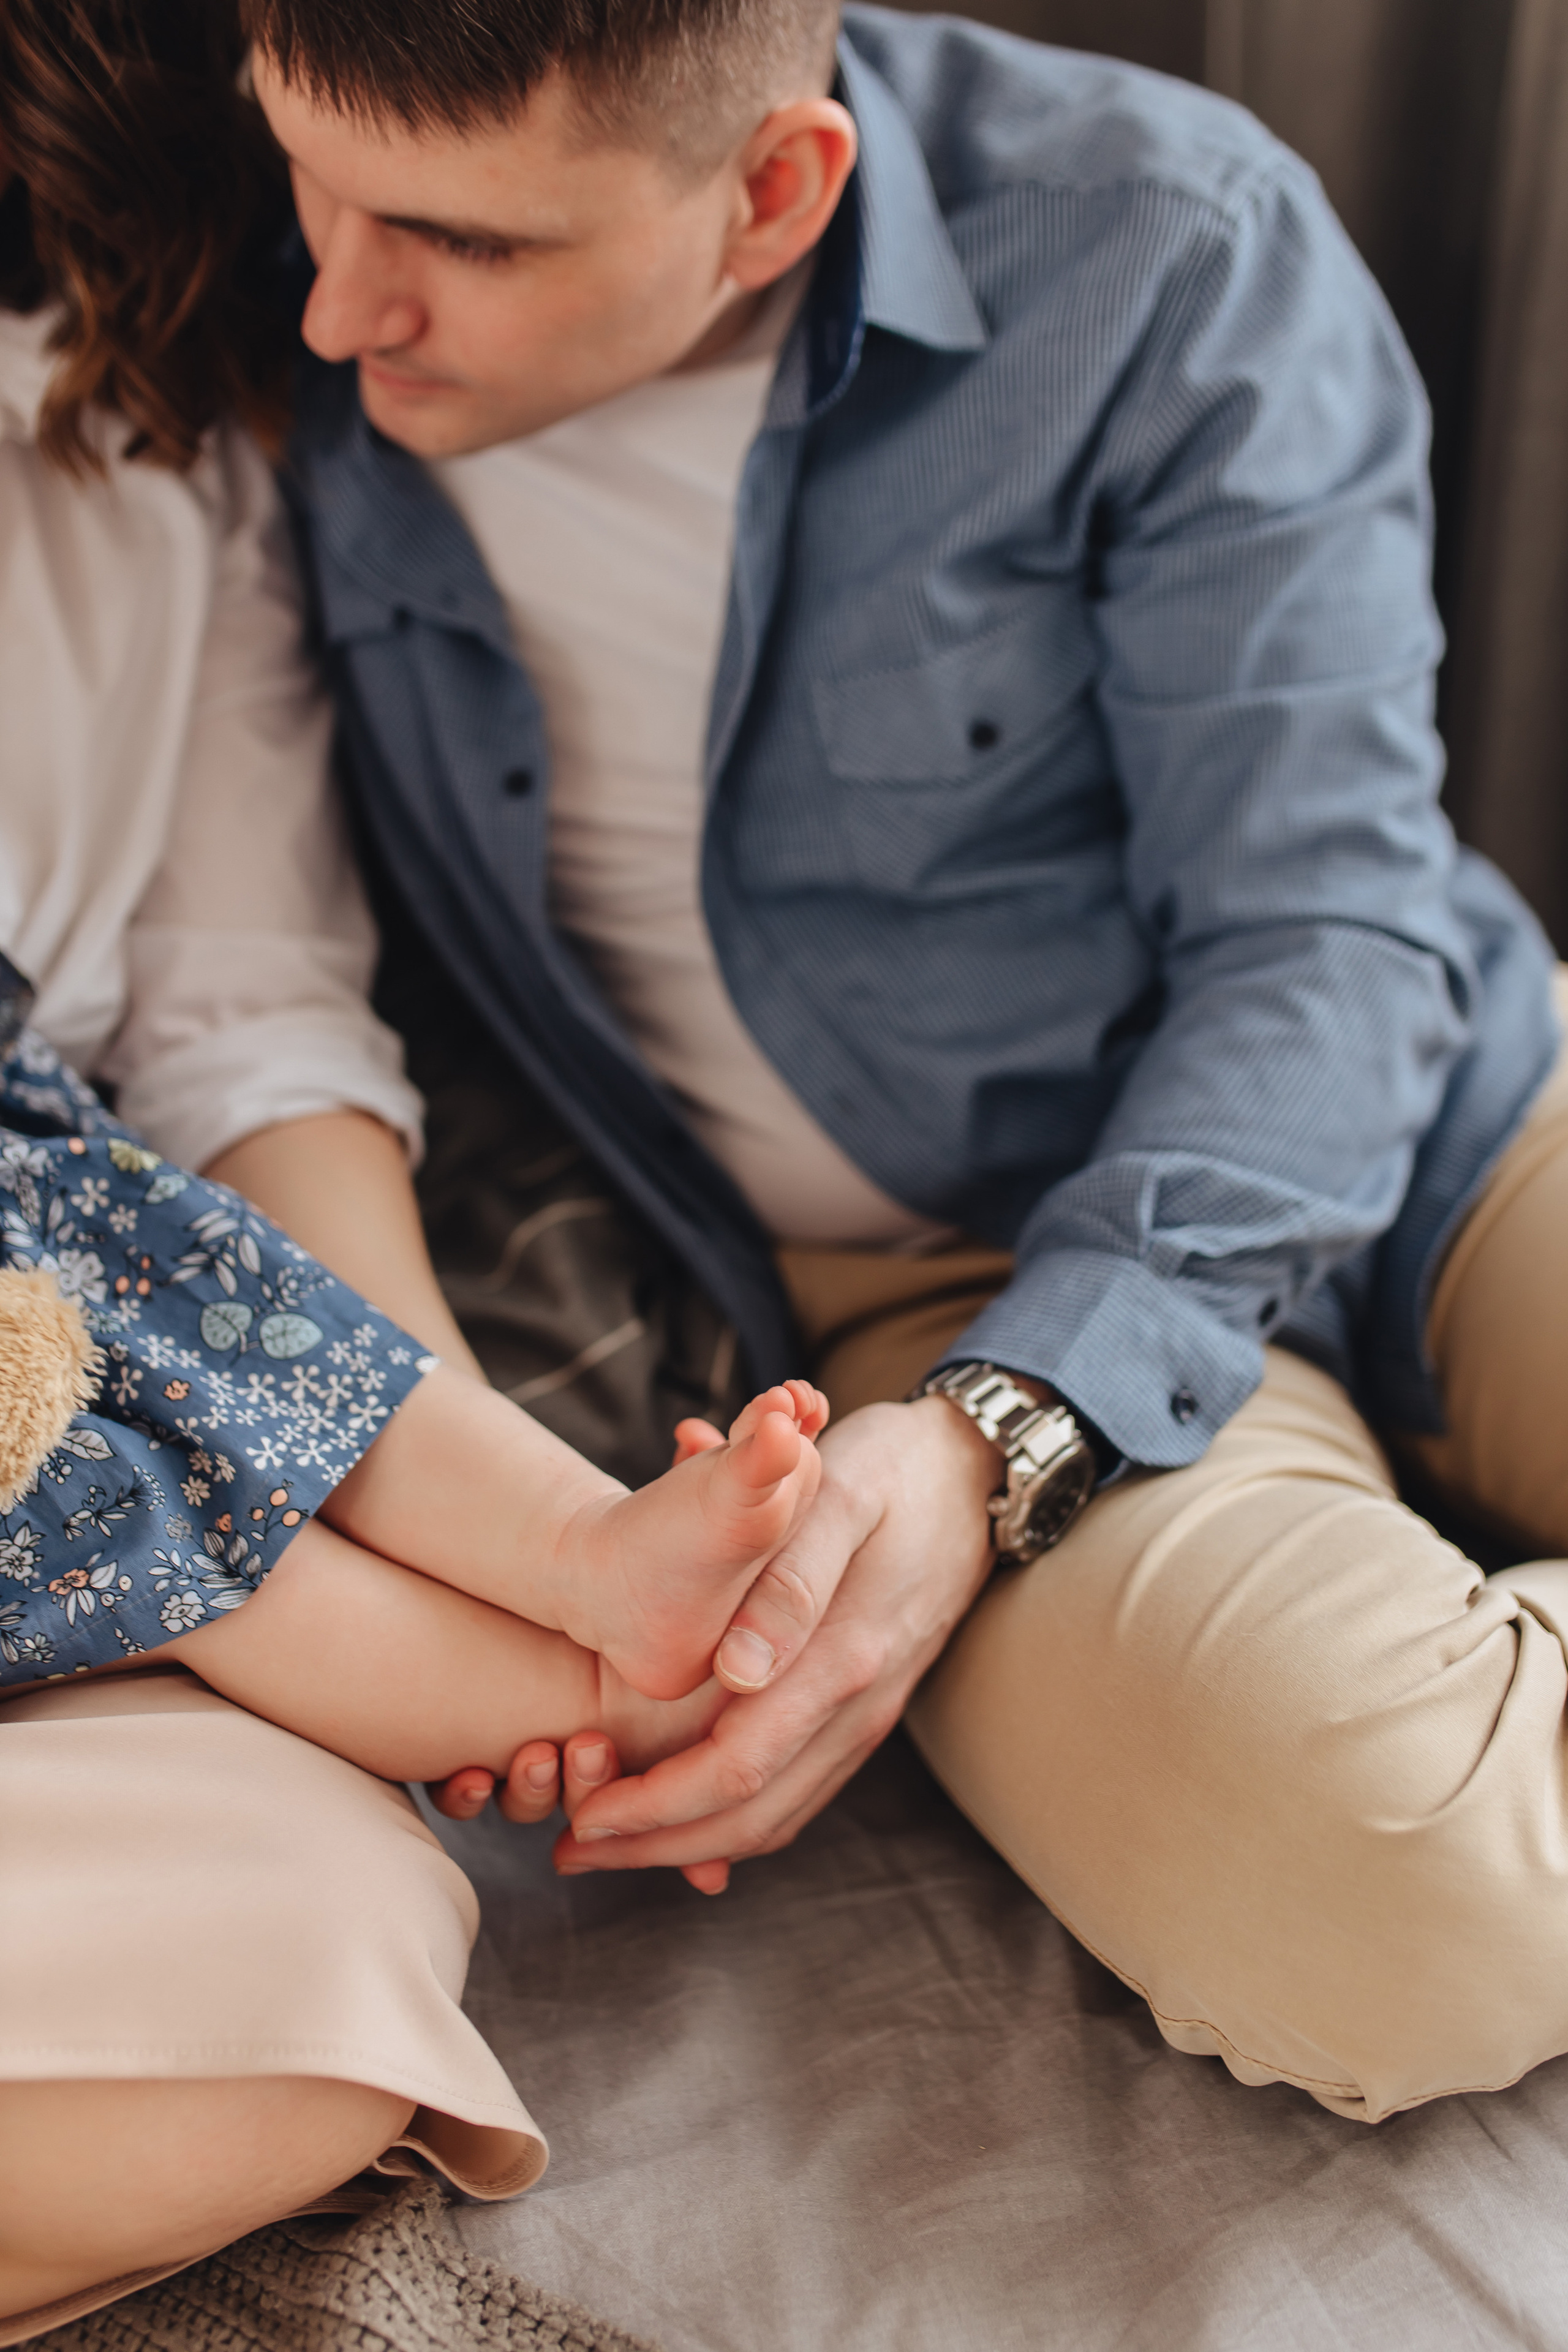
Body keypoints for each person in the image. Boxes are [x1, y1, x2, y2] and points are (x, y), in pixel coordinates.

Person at [256, 0, 1568, 2129]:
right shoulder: (230, 323)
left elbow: (1325, 929)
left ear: (774, 194)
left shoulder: (1163, 241)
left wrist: (1006, 1437)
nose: (334, 304)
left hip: (1444, 1123)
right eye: (302, 179)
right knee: (1403, 1901)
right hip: (924, 1272)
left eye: (466, 244)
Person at [0, 2, 821, 2334]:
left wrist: (538, 1554)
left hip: (39, 1241)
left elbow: (240, 1034)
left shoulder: (179, 387)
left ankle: (551, 1599)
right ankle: (530, 1626)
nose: (370, 295)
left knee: (307, 1989)